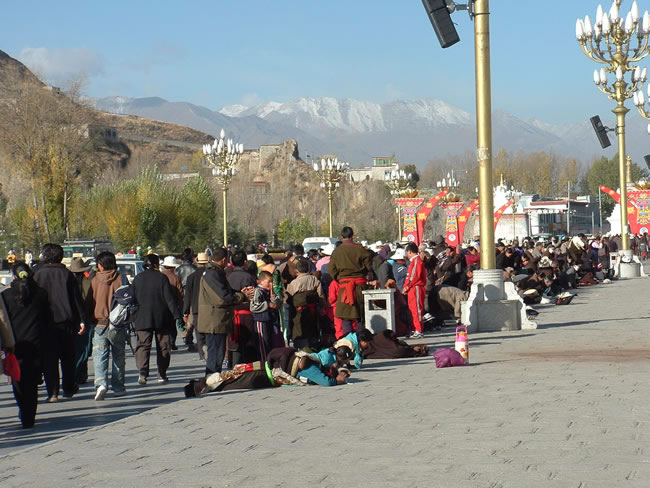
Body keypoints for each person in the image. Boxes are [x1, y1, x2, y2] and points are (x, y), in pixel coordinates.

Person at [34, 243, 89, 402]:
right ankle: (69, 388)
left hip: (45, 324)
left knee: (49, 359)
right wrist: (82, 320)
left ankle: (53, 392)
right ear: (61, 257)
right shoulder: (67, 274)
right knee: (68, 357)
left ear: (45, 256)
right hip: (67, 322)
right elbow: (76, 300)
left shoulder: (38, 275)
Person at [184, 346, 350, 397]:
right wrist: (338, 380)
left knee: (234, 374)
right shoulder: (310, 365)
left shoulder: (313, 356)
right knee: (231, 382)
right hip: (265, 376)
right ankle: (199, 386)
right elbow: (326, 382)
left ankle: (200, 383)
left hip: (265, 366)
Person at [2, 263, 49, 428]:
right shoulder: (41, 294)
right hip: (37, 343)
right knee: (32, 383)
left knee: (18, 380)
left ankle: (23, 410)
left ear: (14, 276)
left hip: (15, 345)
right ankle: (29, 416)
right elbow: (47, 319)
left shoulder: (6, 296)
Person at [197, 248, 253, 376]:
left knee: (218, 352)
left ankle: (214, 376)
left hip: (217, 319)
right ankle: (212, 377)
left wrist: (240, 293)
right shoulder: (212, 274)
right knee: (216, 353)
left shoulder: (216, 272)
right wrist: (242, 297)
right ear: (223, 260)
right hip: (215, 320)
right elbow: (222, 297)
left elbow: (226, 291)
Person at [132, 254, 182, 385]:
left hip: (142, 317)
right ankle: (162, 373)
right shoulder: (162, 278)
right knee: (163, 345)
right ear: (156, 264)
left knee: (143, 345)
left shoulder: (137, 278)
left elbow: (132, 298)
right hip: (162, 317)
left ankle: (143, 372)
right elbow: (169, 299)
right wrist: (177, 315)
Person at [91, 251, 126, 400]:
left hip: (99, 323)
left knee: (100, 355)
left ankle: (101, 384)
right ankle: (118, 387)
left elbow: (89, 301)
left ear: (100, 265)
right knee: (118, 355)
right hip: (117, 323)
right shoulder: (121, 278)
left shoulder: (94, 280)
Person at [328, 227, 372, 336]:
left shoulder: (337, 251)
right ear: (353, 236)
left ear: (341, 237)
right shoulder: (360, 249)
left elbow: (331, 269)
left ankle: (349, 341)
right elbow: (369, 267)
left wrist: (339, 279)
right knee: (360, 316)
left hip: (344, 287)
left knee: (346, 317)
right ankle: (362, 342)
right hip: (360, 287)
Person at [286, 258, 325, 349]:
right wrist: (322, 306)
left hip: (299, 311)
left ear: (297, 271)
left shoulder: (294, 283)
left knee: (299, 329)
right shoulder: (314, 280)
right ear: (308, 269)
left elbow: (288, 298)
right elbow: (321, 295)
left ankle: (301, 347)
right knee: (313, 329)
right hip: (313, 311)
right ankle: (313, 346)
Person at [227, 250, 257, 365]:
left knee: (235, 343)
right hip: (245, 314)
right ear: (245, 262)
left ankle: (234, 365)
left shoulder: (228, 276)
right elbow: (253, 296)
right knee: (247, 344)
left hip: (232, 314)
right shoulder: (248, 277)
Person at [69, 257, 95, 385]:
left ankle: (75, 373)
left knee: (74, 349)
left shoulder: (68, 282)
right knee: (84, 348)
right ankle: (81, 374)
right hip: (87, 318)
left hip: (72, 319)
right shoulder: (89, 281)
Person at [250, 270, 282, 361]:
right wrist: (268, 305)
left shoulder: (267, 291)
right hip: (261, 321)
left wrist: (272, 293)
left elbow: (276, 303)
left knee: (269, 343)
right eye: (269, 282)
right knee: (263, 345)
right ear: (261, 281)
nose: (270, 284)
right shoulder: (258, 291)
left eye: (272, 282)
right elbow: (253, 307)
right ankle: (264, 363)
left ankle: (269, 362)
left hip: (269, 320)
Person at [183, 253, 210, 360]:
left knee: (199, 332)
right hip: (209, 307)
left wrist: (185, 311)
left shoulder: (191, 277)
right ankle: (209, 350)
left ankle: (202, 354)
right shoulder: (211, 275)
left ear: (197, 262)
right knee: (209, 331)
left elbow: (187, 296)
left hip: (196, 308)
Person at [175, 248, 197, 351]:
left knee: (183, 316)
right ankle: (189, 336)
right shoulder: (195, 269)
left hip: (181, 294)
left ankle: (186, 334)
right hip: (192, 295)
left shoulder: (178, 270)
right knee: (191, 317)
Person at [402, 243, 426, 339]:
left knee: (417, 309)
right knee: (413, 309)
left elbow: (414, 276)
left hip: (415, 287)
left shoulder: (416, 261)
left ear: (410, 252)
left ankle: (418, 329)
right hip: (412, 288)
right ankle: (415, 328)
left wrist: (407, 286)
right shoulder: (414, 261)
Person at [161, 256, 183, 351]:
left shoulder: (160, 275)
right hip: (173, 305)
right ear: (173, 267)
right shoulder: (175, 277)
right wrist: (181, 306)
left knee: (163, 325)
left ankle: (164, 343)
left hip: (161, 305)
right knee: (172, 325)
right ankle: (172, 342)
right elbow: (180, 293)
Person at [361, 329, 429, 359]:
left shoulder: (381, 339)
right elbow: (396, 351)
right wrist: (412, 350)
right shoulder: (378, 340)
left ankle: (413, 349)